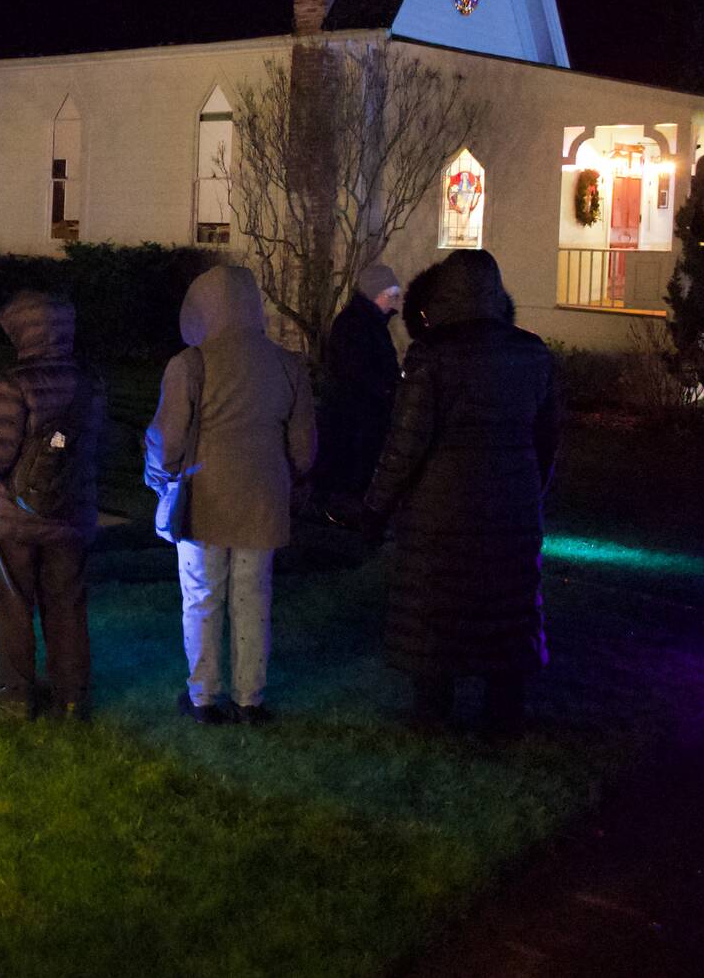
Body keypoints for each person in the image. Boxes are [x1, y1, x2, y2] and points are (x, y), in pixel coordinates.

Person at [362, 251, 558, 737]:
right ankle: (503, 712)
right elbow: (549, 436)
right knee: (507, 606)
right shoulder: (532, 353)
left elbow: (406, 443)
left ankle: (432, 711)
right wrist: (532, 492)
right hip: (511, 504)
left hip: (440, 509)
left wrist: (375, 507)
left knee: (437, 607)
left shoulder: (432, 355)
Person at [143, 265, 316, 726]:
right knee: (252, 598)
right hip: (264, 498)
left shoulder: (189, 364)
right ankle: (249, 698)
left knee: (202, 596)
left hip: (204, 499)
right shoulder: (287, 364)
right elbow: (304, 449)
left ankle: (203, 697)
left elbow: (167, 438)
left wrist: (161, 478)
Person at [0, 290, 105, 722]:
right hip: (70, 516)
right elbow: (100, 448)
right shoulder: (91, 380)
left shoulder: (13, 382)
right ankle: (71, 699)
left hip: (11, 519)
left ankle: (14, 697)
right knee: (66, 607)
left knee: (10, 610)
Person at [316, 264, 402, 511]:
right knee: (352, 478)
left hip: (363, 420)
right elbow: (358, 373)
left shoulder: (370, 324)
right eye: (392, 295)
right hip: (355, 422)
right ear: (377, 294)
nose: (395, 302)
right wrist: (387, 389)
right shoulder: (356, 326)